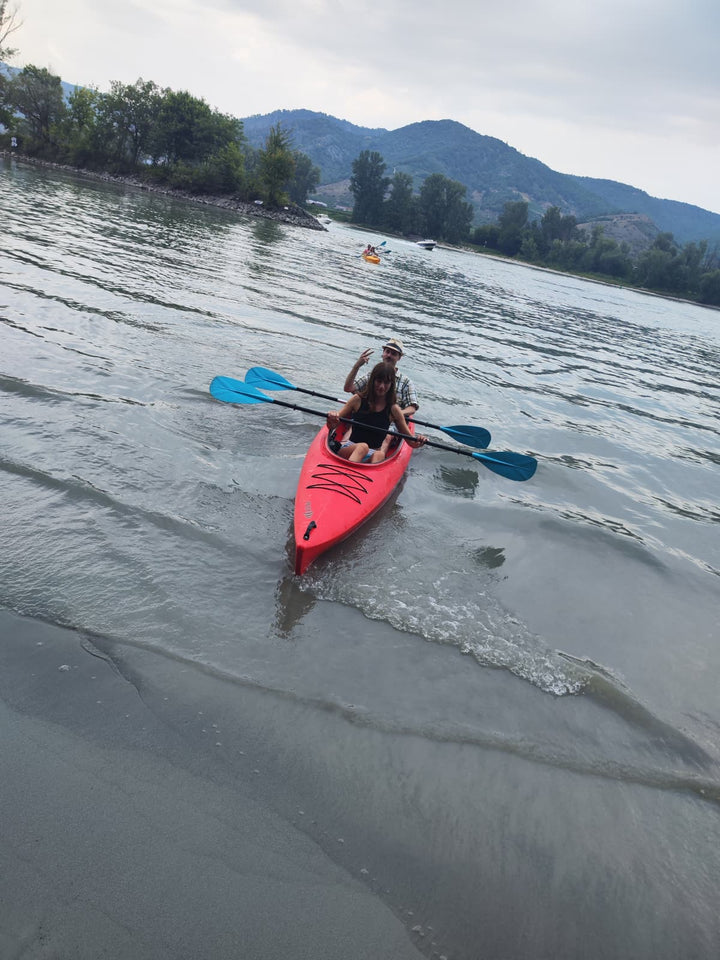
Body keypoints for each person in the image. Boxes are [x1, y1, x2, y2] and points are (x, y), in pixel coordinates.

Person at [327, 362, 426, 464]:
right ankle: (347, 473)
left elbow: (411, 442)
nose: (382, 386)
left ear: (391, 385)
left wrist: (420, 440)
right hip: (350, 449)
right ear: (372, 381)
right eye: (379, 381)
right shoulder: (357, 400)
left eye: (386, 383)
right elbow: (333, 425)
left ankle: (367, 474)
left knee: (380, 454)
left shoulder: (394, 410)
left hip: (373, 454)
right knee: (363, 447)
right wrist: (332, 417)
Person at [344, 336, 419, 418]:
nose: (389, 355)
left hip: (393, 422)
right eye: (387, 352)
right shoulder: (371, 375)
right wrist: (357, 366)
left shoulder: (406, 382)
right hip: (367, 415)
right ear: (383, 353)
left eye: (393, 354)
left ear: (399, 358)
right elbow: (348, 388)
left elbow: (412, 407)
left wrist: (397, 413)